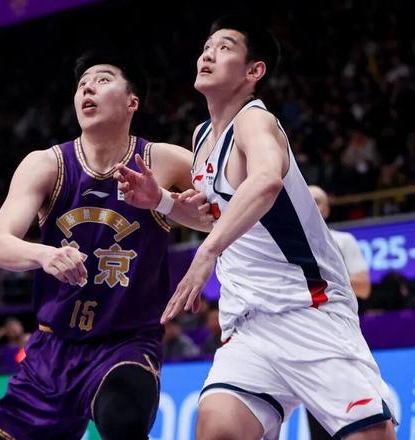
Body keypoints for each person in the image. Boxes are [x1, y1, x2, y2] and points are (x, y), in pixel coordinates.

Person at [116, 15, 397, 440]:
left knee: (369, 436)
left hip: (307, 308)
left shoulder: (255, 121)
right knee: (218, 430)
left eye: (224, 47)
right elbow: (217, 216)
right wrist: (162, 201)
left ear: (254, 71)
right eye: (207, 46)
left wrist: (207, 252)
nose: (208, 54)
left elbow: (266, 181)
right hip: (247, 323)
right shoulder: (202, 137)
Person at [0, 50, 207, 440]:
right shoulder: (46, 165)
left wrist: (166, 202)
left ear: (132, 101)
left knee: (123, 421)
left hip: (126, 343)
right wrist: (45, 254)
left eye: (102, 79)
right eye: (82, 83)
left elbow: (227, 214)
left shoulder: (164, 160)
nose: (87, 88)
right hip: (53, 348)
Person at [307, 185, 373, 439]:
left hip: (340, 336)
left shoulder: (343, 241)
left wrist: (316, 280)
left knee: (352, 414)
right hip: (301, 336)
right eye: (306, 198)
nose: (311, 204)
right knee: (317, 423)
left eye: (317, 201)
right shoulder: (283, 242)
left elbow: (363, 287)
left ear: (326, 209)